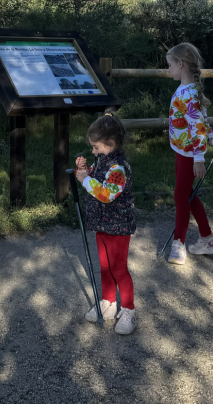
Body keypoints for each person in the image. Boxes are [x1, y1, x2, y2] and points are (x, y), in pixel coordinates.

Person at [165, 43, 213, 266]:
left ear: (181, 64)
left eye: (170, 65)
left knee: (181, 196)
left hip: (190, 154)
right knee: (187, 195)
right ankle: (207, 238)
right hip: (183, 151)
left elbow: (198, 127)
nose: (168, 69)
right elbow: (201, 123)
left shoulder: (189, 94)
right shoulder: (187, 91)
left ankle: (178, 244)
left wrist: (199, 158)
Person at [74, 114, 136, 335]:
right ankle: (108, 303)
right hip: (102, 223)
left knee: (118, 268)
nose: (93, 152)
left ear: (110, 144)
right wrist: (85, 171)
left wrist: (85, 180)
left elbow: (106, 193)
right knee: (105, 266)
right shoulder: (104, 160)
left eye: (95, 147)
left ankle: (128, 310)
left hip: (118, 226)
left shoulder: (119, 168)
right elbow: (96, 180)